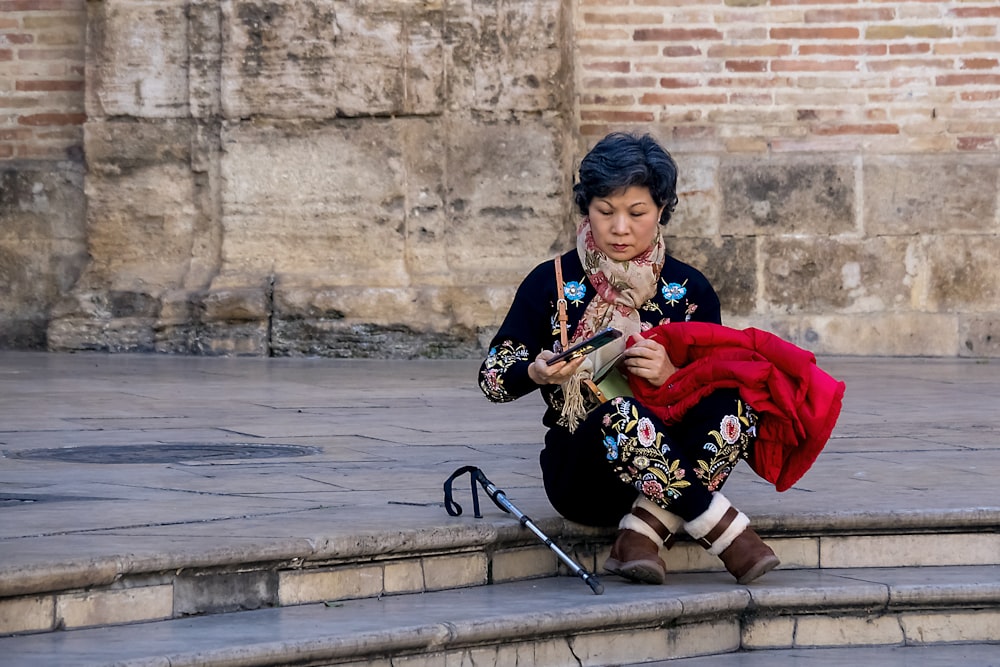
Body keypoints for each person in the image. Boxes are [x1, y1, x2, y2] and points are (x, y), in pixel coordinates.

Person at [477, 132, 781, 586]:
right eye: (605, 211)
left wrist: (674, 374)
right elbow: (493, 378)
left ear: (661, 210)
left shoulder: (689, 290)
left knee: (742, 405)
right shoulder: (551, 283)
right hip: (586, 472)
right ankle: (730, 535)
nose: (620, 228)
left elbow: (717, 383)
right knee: (620, 413)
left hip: (676, 462)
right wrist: (536, 372)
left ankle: (640, 536)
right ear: (587, 209)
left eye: (637, 213)